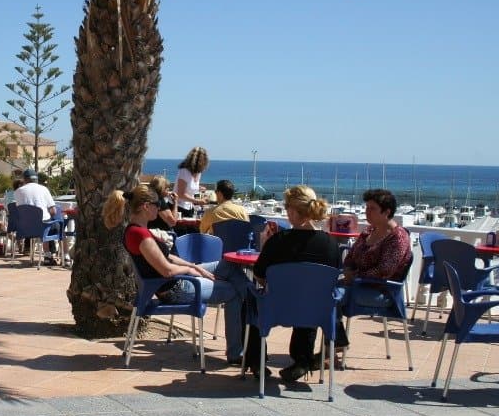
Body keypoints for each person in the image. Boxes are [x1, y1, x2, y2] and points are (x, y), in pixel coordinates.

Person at [103, 184, 251, 364]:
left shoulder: (137, 231)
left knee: (229, 265)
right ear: (145, 206)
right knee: (233, 292)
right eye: (158, 204)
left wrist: (193, 266)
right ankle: (237, 350)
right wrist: (191, 270)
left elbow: (167, 257)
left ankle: (252, 299)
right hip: (177, 289)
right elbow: (166, 269)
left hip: (176, 281)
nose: (160, 208)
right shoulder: (140, 235)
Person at [246, 185, 340, 382]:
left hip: (277, 308)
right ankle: (302, 360)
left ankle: (256, 360)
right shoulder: (331, 245)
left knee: (250, 297)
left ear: (293, 210)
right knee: (312, 294)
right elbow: (331, 280)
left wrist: (265, 247)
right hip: (315, 311)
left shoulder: (279, 240)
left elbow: (260, 275)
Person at [342, 189, 412, 286]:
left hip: (379, 289)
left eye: (372, 208)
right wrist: (347, 270)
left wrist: (355, 277)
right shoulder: (368, 231)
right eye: (367, 207)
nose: (367, 212)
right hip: (356, 283)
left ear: (387, 212)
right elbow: (350, 257)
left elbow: (383, 271)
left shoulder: (398, 237)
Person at [14, 168, 60, 265]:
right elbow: (53, 210)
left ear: (24, 179)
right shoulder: (44, 189)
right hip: (41, 228)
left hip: (24, 229)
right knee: (55, 224)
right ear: (36, 179)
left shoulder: (17, 191)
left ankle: (44, 253)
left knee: (44, 222)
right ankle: (58, 256)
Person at [175, 147, 208, 218]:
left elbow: (189, 186)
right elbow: (180, 194)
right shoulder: (184, 171)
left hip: (190, 207)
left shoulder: (198, 172)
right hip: (179, 208)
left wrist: (198, 188)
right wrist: (198, 201)